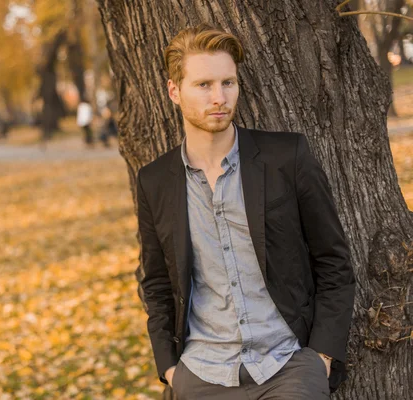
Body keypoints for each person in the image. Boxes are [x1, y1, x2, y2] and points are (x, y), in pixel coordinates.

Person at [136, 24, 355, 400]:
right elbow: (156, 282)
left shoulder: (287, 157)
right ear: (174, 91)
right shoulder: (154, 181)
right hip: (201, 372)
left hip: (288, 365)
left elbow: (333, 260)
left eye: (228, 83)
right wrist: (171, 369)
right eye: (203, 85)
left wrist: (321, 356)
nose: (219, 97)